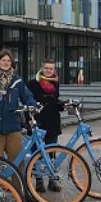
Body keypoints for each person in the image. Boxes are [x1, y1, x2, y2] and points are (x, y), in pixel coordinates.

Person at [0, 49, 36, 163]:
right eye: (3, 60)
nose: (6, 63)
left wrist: (32, 106)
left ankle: (19, 182)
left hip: (13, 126)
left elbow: (27, 96)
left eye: (8, 60)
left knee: (18, 162)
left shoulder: (17, 81)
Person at [26, 59, 63, 193]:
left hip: (52, 121)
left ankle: (52, 180)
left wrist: (61, 105)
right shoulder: (32, 84)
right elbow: (27, 103)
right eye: (46, 68)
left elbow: (54, 100)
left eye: (51, 68)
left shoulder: (55, 83)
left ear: (54, 70)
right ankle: (39, 181)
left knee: (51, 152)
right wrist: (28, 120)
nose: (48, 70)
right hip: (37, 121)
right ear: (41, 68)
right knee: (36, 152)